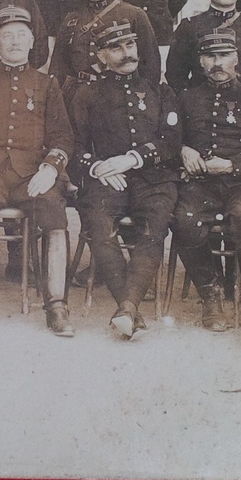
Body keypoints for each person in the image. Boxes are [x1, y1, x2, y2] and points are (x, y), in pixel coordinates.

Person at [0, 7, 75, 336]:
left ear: (33, 40)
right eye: (7, 35)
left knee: (52, 209)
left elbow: (62, 136)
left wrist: (51, 168)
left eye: (22, 34)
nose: (15, 41)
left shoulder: (46, 83)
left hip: (32, 175)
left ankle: (57, 305)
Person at [69, 20, 181, 339]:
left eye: (129, 46)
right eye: (115, 48)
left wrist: (130, 159)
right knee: (101, 229)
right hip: (107, 180)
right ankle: (129, 307)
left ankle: (127, 308)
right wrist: (99, 167)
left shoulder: (159, 90)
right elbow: (73, 145)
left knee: (152, 230)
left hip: (153, 179)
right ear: (102, 56)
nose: (126, 54)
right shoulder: (86, 93)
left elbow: (171, 142)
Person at [171, 30, 241, 335]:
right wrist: (183, 150)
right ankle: (211, 295)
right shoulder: (187, 98)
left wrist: (231, 164)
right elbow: (171, 139)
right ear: (201, 61)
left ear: (236, 59)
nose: (217, 63)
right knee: (184, 219)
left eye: (224, 56)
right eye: (210, 57)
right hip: (201, 183)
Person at [50, 0, 160, 109]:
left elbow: (150, 69)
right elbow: (58, 68)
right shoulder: (71, 19)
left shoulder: (134, 15)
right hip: (77, 101)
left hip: (119, 102)